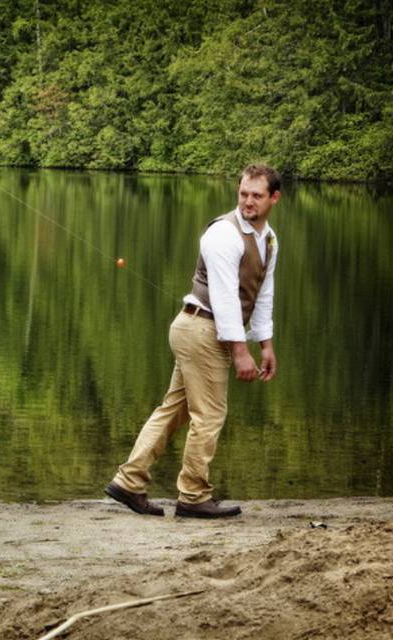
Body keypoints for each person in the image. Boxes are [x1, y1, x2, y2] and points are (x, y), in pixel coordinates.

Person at [105, 164, 282, 519]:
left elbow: (261, 291)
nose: (248, 201)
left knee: (175, 409)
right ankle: (193, 495)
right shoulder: (223, 235)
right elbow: (225, 296)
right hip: (201, 329)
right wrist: (240, 350)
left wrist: (265, 343)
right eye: (243, 193)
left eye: (257, 195)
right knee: (209, 414)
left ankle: (129, 481)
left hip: (204, 331)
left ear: (274, 198)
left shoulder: (269, 239)